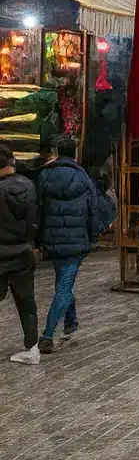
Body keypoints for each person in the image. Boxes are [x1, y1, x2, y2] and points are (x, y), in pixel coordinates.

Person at [37, 137, 111, 354]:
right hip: (77, 242)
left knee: (63, 282)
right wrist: (94, 234)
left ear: (58, 151)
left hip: (53, 240)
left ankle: (72, 322)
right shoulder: (83, 177)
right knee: (63, 288)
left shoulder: (44, 175)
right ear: (75, 153)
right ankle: (48, 335)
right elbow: (93, 209)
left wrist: (39, 237)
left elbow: (38, 209)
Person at [0, 144, 41, 364]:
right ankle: (32, 348)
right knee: (26, 302)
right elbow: (36, 218)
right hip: (24, 252)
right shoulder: (30, 186)